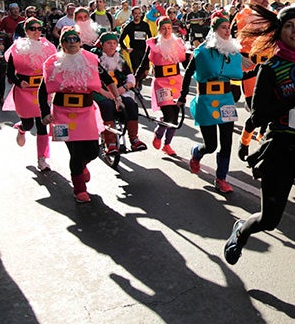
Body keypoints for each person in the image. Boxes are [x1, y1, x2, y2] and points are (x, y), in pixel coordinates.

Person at [223, 6, 295, 323]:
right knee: (270, 220)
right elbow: (259, 114)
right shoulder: (271, 68)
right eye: (289, 26)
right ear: (279, 32)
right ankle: (242, 231)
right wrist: (293, 98)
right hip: (281, 150)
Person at [39, 28, 106, 203]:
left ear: (80, 42)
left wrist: (117, 96)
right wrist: (45, 112)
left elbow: (106, 77)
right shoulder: (52, 62)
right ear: (62, 44)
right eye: (67, 40)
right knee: (75, 152)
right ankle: (79, 189)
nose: (71, 42)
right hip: (62, 113)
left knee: (92, 150)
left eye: (75, 39)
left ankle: (82, 165)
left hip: (86, 111)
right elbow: (43, 88)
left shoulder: (90, 60)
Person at [179, 12, 243, 194]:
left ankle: (221, 178)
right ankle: (196, 152)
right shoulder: (202, 52)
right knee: (211, 144)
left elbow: (239, 73)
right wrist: (183, 96)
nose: (227, 31)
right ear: (214, 30)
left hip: (226, 100)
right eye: (223, 28)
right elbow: (189, 73)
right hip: (206, 100)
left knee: (227, 142)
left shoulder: (232, 52)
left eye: (229, 28)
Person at [4, 16, 58, 172]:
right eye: (33, 29)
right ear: (26, 31)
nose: (36, 32)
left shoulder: (49, 47)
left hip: (42, 91)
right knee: (28, 123)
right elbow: (10, 73)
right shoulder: (17, 47)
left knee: (42, 124)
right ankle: (21, 128)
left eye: (39, 29)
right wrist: (19, 82)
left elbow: (54, 68)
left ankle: (42, 159)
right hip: (24, 91)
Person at [136, 16, 187, 156]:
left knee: (175, 117)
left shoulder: (178, 42)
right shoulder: (153, 43)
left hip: (176, 82)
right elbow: (144, 63)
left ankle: (167, 145)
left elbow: (185, 64)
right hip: (161, 83)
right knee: (168, 114)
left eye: (169, 28)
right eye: (163, 28)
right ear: (159, 30)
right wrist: (136, 78)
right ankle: (159, 133)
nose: (166, 31)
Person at [234, 0, 274, 158]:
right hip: (251, 68)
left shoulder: (273, 14)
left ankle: (263, 138)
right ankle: (244, 141)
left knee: (271, 109)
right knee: (256, 112)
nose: (266, 0)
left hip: (271, 66)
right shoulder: (244, 15)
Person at [93, 31, 147, 155]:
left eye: (114, 43)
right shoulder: (95, 59)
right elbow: (91, 80)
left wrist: (124, 88)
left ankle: (134, 139)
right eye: (108, 43)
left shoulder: (121, 59)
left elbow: (131, 77)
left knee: (130, 104)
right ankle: (110, 143)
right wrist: (105, 92)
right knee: (107, 106)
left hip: (120, 91)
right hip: (102, 93)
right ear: (102, 45)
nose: (112, 46)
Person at [119, 5, 152, 76]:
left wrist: (150, 49)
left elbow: (150, 38)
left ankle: (139, 84)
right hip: (134, 51)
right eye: (135, 13)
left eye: (139, 13)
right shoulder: (129, 26)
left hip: (144, 51)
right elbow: (121, 39)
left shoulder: (145, 25)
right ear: (132, 15)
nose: (137, 15)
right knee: (136, 71)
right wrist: (126, 48)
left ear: (141, 14)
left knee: (144, 73)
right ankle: (137, 86)